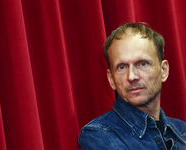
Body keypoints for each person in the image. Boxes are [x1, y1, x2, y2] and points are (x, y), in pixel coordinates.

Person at [78, 22, 186, 150]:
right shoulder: (99, 135)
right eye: (122, 67)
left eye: (142, 64)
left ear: (163, 70)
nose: (132, 76)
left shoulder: (182, 130)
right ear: (111, 79)